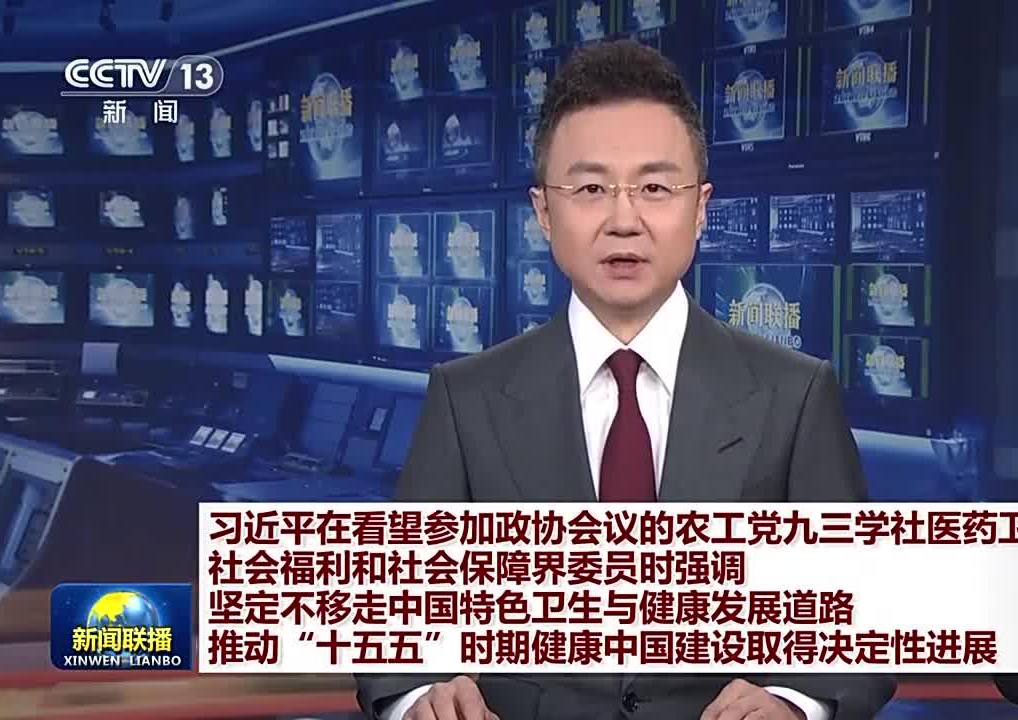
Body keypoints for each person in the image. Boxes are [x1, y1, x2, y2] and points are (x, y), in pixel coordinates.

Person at [356, 39, 894, 720]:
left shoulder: (796, 395)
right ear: (543, 212)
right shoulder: (466, 399)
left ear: (700, 208)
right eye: (590, 189)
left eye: (655, 188)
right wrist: (420, 699)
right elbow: (394, 631)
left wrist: (791, 702)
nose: (623, 221)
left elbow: (859, 625)